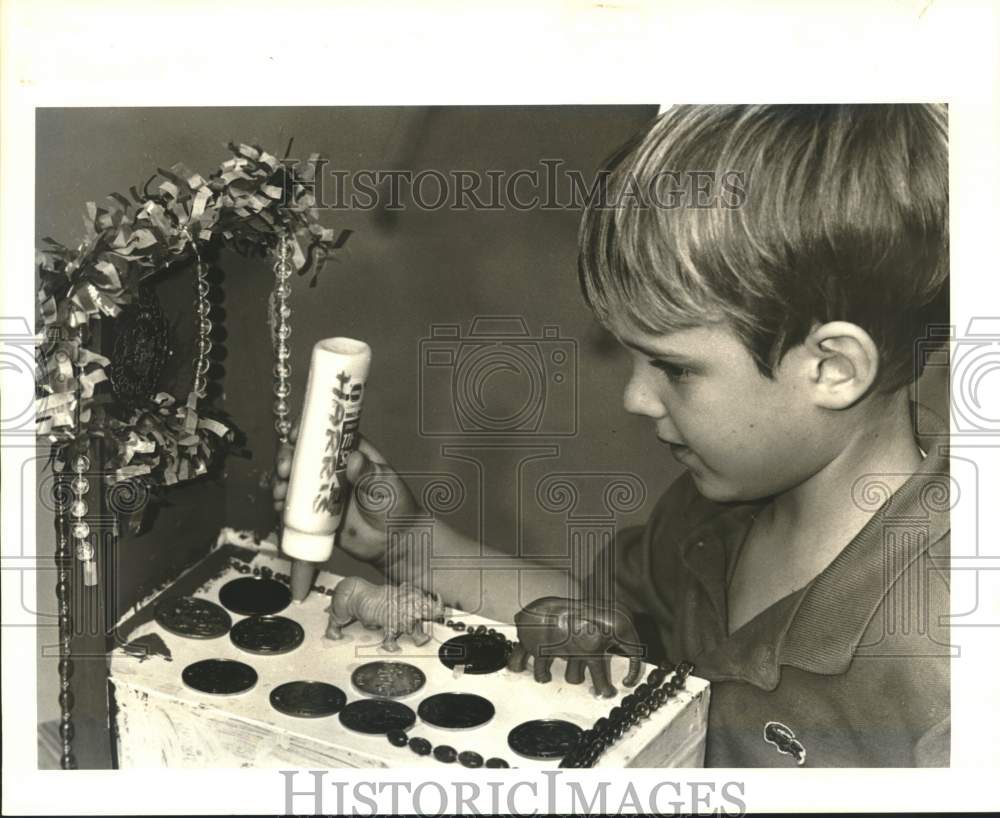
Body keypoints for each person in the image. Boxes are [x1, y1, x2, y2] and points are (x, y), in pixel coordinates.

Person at [273, 104, 950, 767]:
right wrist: (412, 543)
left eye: (674, 368)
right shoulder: (712, 507)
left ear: (833, 368)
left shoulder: (946, 659)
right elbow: (601, 632)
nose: (633, 397)